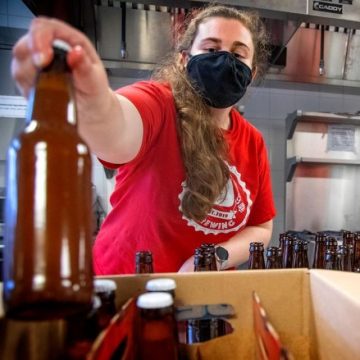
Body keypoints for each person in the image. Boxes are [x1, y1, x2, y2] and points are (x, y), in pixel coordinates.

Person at [11, 4, 276, 274]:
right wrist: (92, 100)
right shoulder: (159, 104)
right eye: (211, 49)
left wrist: (213, 258)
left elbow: (261, 227)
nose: (223, 60)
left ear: (251, 73)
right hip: (126, 291)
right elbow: (117, 131)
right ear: (184, 60)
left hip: (201, 301)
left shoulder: (253, 141)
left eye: (238, 53)